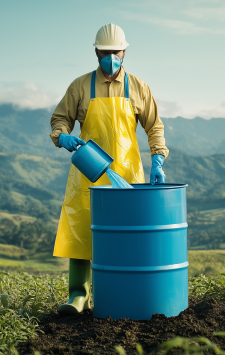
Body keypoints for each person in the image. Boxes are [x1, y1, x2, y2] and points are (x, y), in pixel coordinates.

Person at [49, 23, 169, 315]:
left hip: (127, 176)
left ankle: (124, 294)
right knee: (82, 232)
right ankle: (78, 296)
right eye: (104, 52)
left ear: (124, 52)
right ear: (96, 52)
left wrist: (158, 158)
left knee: (127, 237)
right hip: (88, 173)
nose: (110, 57)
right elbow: (60, 120)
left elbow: (154, 126)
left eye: (115, 52)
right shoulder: (79, 86)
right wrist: (62, 135)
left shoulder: (139, 87)